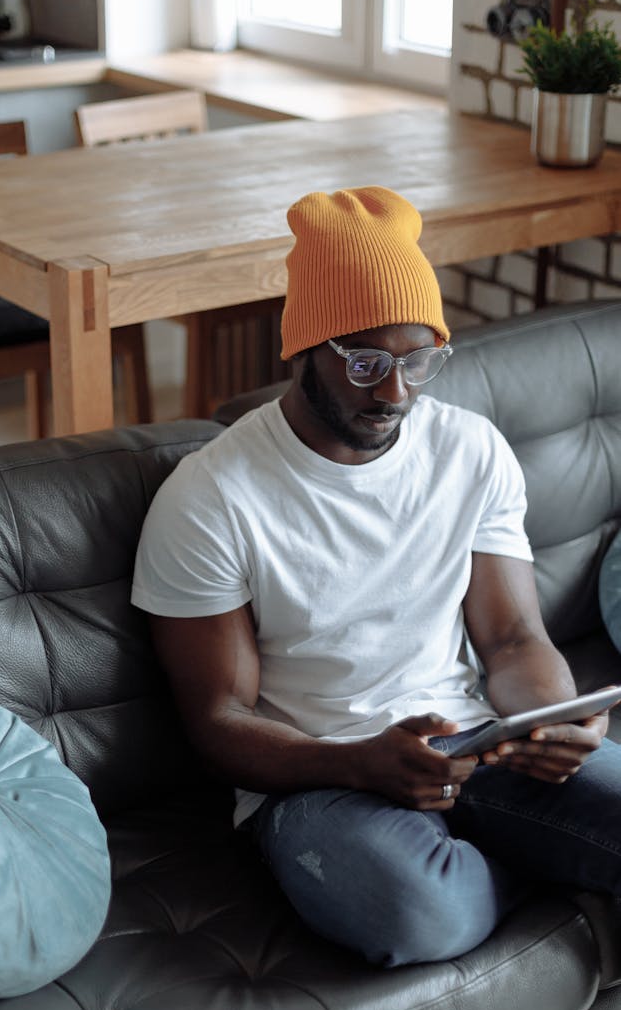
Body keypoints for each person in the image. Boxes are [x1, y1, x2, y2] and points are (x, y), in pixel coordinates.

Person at [131, 185, 621, 967]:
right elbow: (218, 720)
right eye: (364, 363)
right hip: (319, 779)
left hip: (474, 743)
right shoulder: (211, 496)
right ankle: (554, 863)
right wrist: (357, 761)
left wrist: (553, 720)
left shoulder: (471, 450)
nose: (394, 392)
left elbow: (512, 636)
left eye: (418, 360)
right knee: (421, 913)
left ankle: (534, 849)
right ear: (302, 350)